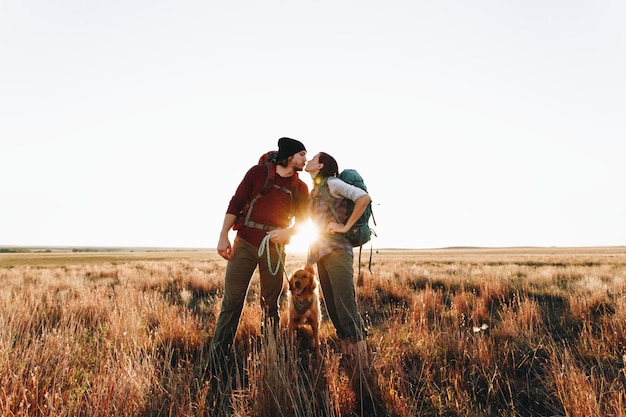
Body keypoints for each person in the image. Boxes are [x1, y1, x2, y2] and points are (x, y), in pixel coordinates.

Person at [210, 137, 309, 363]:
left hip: (274, 250)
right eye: (302, 154)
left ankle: (270, 356)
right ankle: (216, 358)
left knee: (269, 304)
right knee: (232, 301)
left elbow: (305, 223)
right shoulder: (257, 173)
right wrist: (223, 235)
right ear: (289, 156)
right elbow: (236, 202)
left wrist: (287, 234)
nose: (305, 159)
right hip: (243, 243)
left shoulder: (300, 187)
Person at [304, 151, 371, 366]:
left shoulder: (333, 183)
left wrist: (345, 226)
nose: (309, 161)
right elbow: (314, 228)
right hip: (321, 255)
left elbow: (363, 198)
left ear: (321, 165)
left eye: (313, 158)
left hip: (338, 252)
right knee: (333, 308)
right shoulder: (314, 191)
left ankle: (362, 363)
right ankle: (348, 357)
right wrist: (309, 260)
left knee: (345, 307)